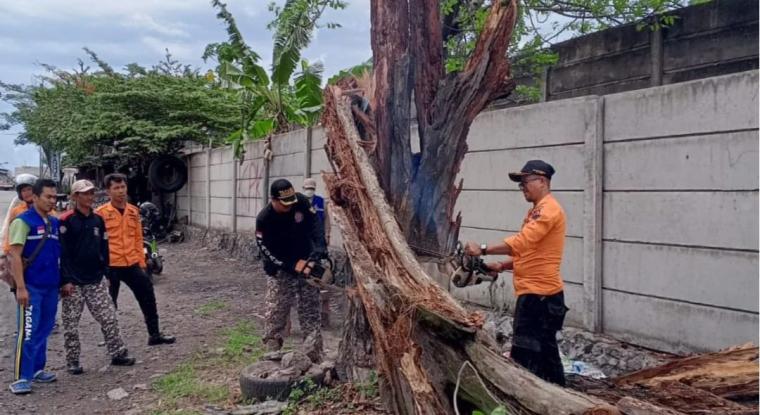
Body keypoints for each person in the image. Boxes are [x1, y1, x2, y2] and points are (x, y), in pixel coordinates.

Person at [464, 160, 569, 386]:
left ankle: (531, 401)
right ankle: (557, 398)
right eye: (520, 184)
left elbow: (521, 242)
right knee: (546, 356)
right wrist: (502, 266)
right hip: (539, 295)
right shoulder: (536, 211)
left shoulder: (548, 211)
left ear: (542, 181)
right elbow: (530, 251)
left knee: (525, 357)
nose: (522, 188)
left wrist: (482, 248)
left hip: (539, 297)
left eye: (525, 182)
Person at [59, 180, 136, 374]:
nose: (89, 196)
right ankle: (73, 361)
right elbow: (62, 254)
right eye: (84, 193)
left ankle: (118, 353)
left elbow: (104, 247)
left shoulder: (97, 220)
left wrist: (106, 272)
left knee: (109, 317)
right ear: (75, 197)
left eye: (91, 192)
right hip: (73, 282)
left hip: (95, 279)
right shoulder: (66, 221)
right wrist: (65, 280)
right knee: (70, 325)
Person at [95, 173, 175, 346]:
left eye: (123, 187)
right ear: (108, 191)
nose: (120, 191)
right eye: (116, 188)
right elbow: (96, 243)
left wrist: (142, 262)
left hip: (131, 263)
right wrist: (101, 268)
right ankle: (111, 340)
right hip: (111, 265)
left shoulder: (133, 212)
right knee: (109, 304)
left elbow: (138, 239)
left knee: (148, 296)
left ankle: (154, 335)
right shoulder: (100, 214)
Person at [256, 179, 327, 363]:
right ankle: (273, 345)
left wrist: (319, 249)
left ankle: (313, 349)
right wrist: (290, 265)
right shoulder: (264, 219)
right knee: (277, 306)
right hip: (279, 266)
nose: (289, 206)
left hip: (306, 260)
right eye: (284, 203)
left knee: (310, 307)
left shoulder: (301, 202)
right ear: (273, 199)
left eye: (291, 201)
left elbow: (315, 224)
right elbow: (267, 251)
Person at [7, 179, 60, 394]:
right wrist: (20, 287)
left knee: (44, 329)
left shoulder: (54, 223)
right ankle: (21, 377)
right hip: (31, 287)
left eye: (54, 197)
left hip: (51, 286)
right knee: (27, 331)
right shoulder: (23, 221)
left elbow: (58, 255)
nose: (52, 201)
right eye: (48, 197)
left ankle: (38, 369)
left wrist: (63, 282)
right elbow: (15, 256)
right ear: (35, 197)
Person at [302, 178, 331, 327]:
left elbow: (326, 220)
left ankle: (322, 311)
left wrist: (327, 236)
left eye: (311, 188)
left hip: (318, 242)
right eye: (307, 188)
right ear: (303, 188)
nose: (309, 190)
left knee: (318, 270)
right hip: (303, 241)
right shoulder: (298, 202)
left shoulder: (321, 202)